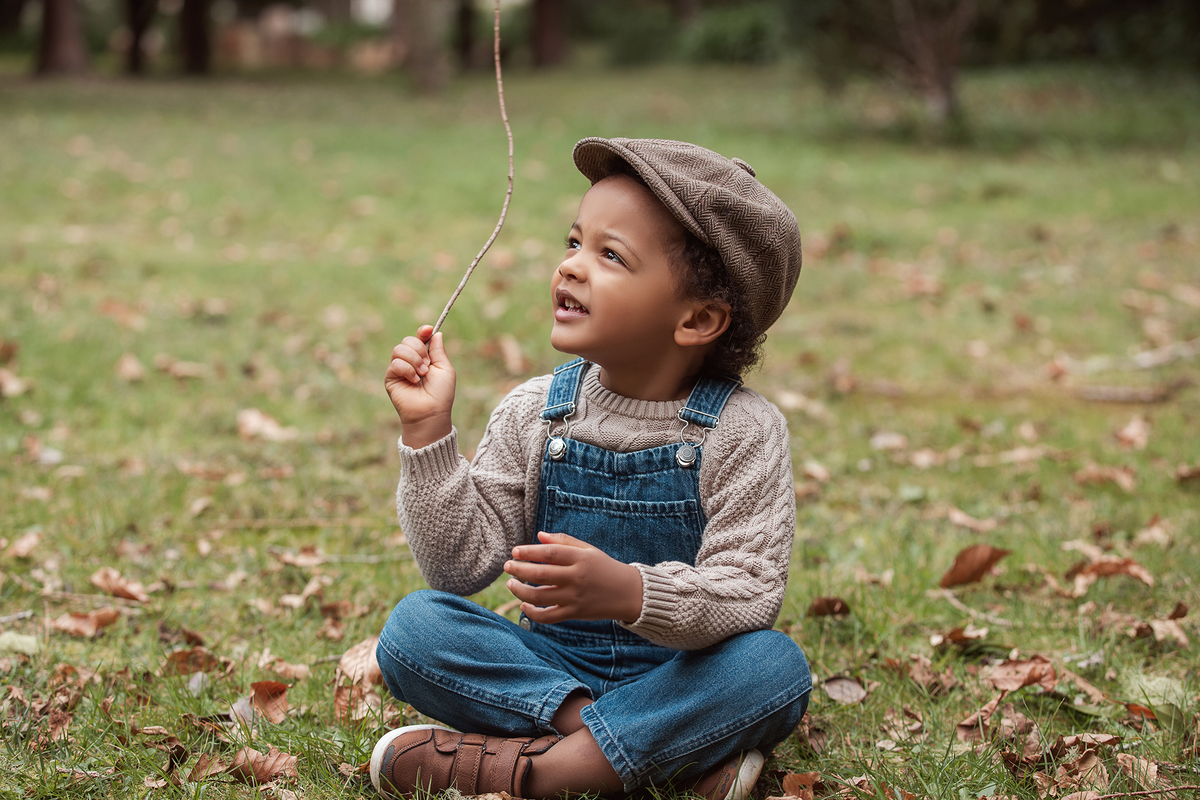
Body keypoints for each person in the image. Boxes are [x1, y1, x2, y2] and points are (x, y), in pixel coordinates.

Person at [372, 137, 810, 800]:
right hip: (549, 674)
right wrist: (427, 432)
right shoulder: (536, 412)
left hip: (684, 674)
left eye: (611, 255)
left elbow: (748, 593)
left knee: (772, 668)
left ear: (697, 319)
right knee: (415, 629)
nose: (570, 267)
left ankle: (535, 771)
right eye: (574, 242)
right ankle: (638, 752)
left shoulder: (743, 432)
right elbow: (459, 570)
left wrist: (630, 592)